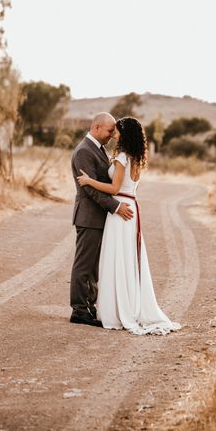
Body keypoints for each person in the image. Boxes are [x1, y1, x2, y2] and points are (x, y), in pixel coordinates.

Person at [77, 116, 181, 335]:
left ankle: (116, 309)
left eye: (117, 131)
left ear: (124, 134)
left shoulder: (122, 157)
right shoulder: (135, 157)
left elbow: (114, 189)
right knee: (127, 259)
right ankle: (126, 305)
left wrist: (89, 181)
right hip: (130, 207)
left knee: (118, 259)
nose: (113, 133)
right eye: (112, 130)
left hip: (121, 210)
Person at [69, 113, 134, 327]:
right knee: (83, 265)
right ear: (97, 127)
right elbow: (90, 190)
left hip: (99, 217)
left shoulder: (97, 149)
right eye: (109, 131)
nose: (111, 136)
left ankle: (90, 307)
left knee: (94, 266)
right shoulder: (84, 152)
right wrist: (115, 206)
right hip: (88, 216)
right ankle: (79, 310)